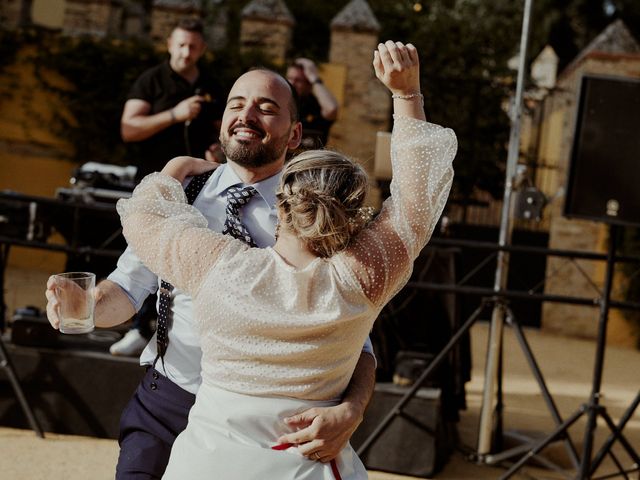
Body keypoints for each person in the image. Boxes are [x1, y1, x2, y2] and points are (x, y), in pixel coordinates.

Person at [114, 40, 457, 479]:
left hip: (208, 463)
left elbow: (144, 218)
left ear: (283, 204)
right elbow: (416, 203)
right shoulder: (363, 277)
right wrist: (407, 95)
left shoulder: (219, 267)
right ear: (351, 218)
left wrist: (176, 170)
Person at [46, 65, 377, 478]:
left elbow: (356, 338)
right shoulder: (179, 195)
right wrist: (86, 307)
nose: (247, 115)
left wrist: (353, 408)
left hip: (269, 427)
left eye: (266, 107)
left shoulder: (313, 216)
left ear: (294, 134)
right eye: (236, 105)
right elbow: (126, 292)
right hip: (169, 403)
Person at [111, 17, 225, 356]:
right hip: (156, 183)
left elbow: (224, 134)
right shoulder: (153, 81)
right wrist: (173, 115)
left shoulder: (212, 86)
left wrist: (217, 151)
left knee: (185, 257)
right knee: (145, 253)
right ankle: (136, 326)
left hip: (201, 188)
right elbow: (129, 128)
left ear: (202, 49)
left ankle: (167, 331)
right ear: (170, 45)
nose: (186, 52)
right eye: (181, 45)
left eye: (193, 46)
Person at [286, 58, 339, 148]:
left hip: (309, 160)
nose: (292, 83)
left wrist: (315, 79)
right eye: (290, 78)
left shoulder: (315, 106)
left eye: (298, 80)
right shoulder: (281, 103)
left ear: (309, 84)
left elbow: (331, 109)